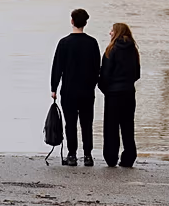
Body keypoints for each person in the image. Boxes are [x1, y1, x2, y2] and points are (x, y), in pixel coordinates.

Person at [50, 9, 101, 167]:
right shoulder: (92, 43)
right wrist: (93, 84)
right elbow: (97, 68)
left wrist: (54, 88)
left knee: (70, 123)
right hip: (87, 90)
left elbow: (57, 67)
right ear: (85, 23)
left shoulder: (64, 43)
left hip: (69, 90)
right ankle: (88, 156)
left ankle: (72, 155)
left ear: (72, 21)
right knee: (87, 123)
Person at [98, 23, 141, 168]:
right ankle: (129, 157)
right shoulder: (133, 50)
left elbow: (105, 74)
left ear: (117, 32)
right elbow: (137, 74)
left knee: (111, 127)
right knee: (128, 126)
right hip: (129, 93)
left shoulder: (111, 50)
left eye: (112, 30)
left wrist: (105, 89)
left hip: (113, 94)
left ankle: (111, 157)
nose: (110, 33)